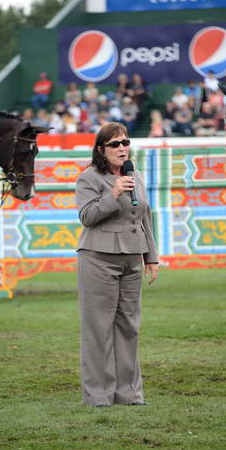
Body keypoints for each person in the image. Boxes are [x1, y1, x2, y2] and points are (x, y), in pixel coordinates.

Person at [76, 122, 159, 407]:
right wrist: (113, 195)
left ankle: (128, 393)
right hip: (98, 259)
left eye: (125, 143)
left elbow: (145, 215)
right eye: (115, 144)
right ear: (101, 149)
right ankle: (98, 395)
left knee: (129, 327)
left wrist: (152, 257)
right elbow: (87, 216)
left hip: (132, 260)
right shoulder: (89, 178)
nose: (122, 148)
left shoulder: (133, 174)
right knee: (98, 328)